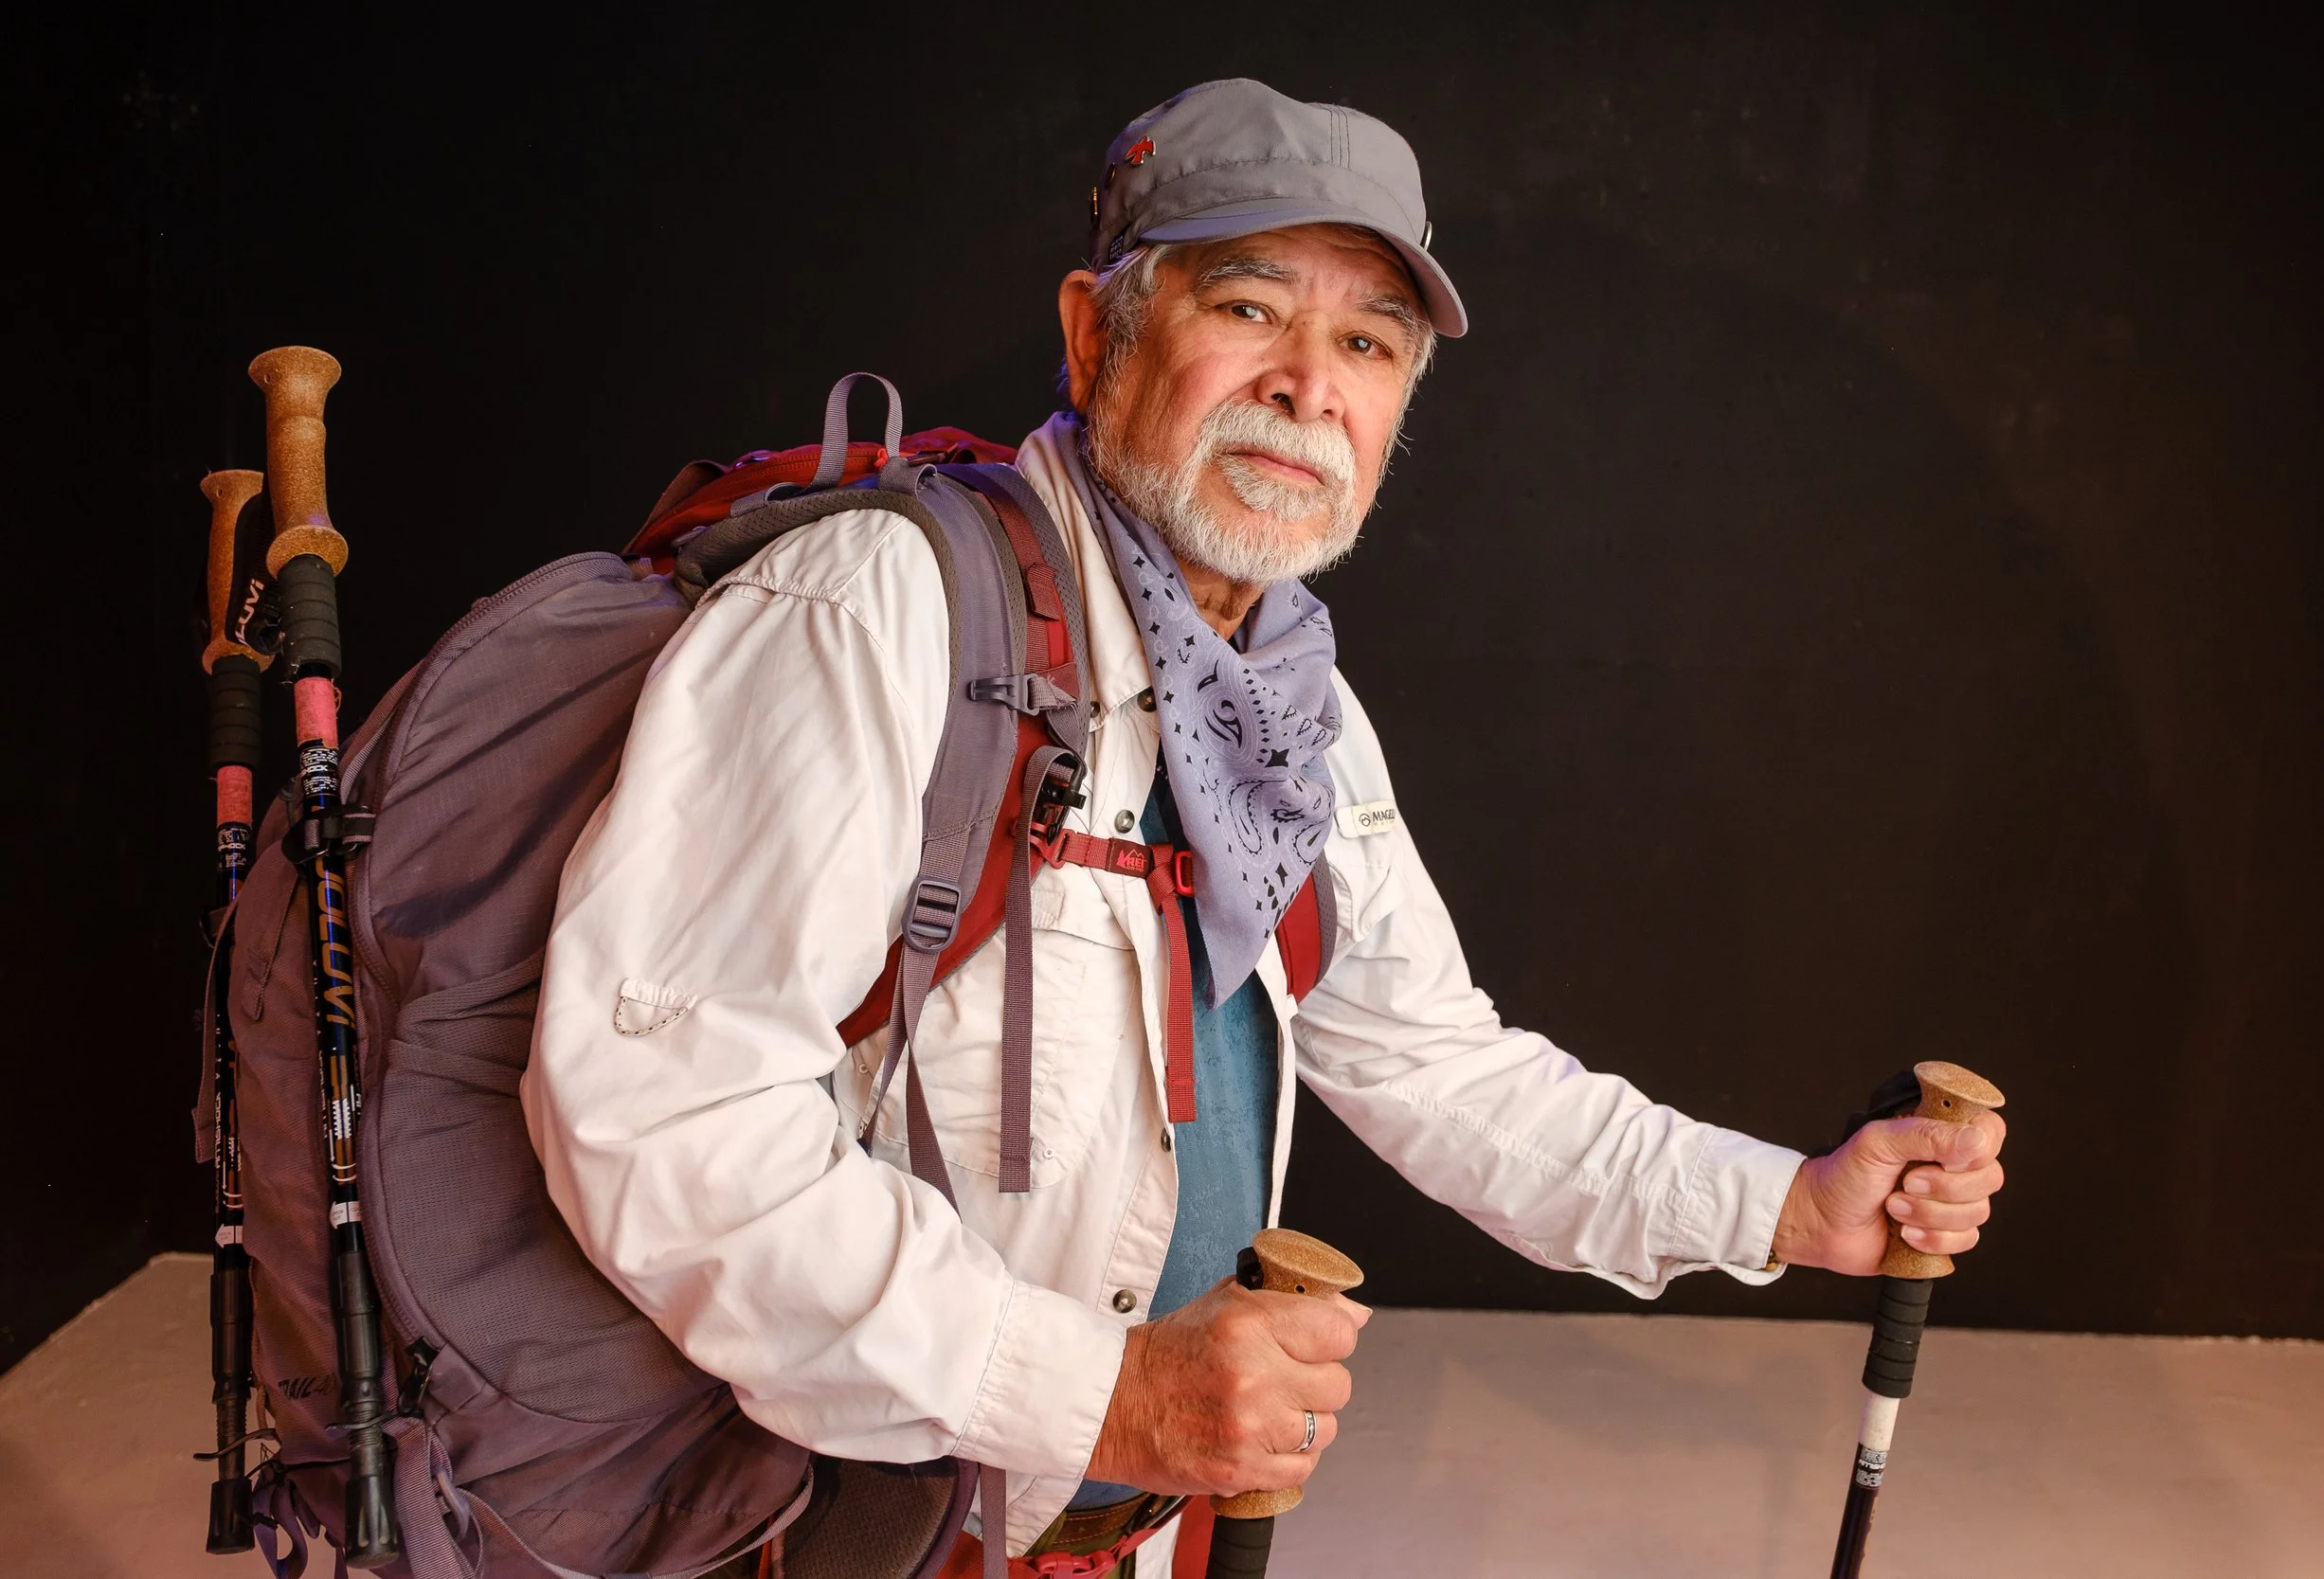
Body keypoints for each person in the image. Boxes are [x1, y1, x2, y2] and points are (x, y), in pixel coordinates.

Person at [523, 78, 2008, 1579]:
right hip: (822, 1543)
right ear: (1096, 332)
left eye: (1369, 342)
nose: (1311, 385)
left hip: (1125, 1537)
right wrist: (1112, 1393)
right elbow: (662, 1118)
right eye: (1249, 307)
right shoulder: (879, 612)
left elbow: (1444, 1069)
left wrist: (1791, 1203)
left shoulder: (1287, 713)